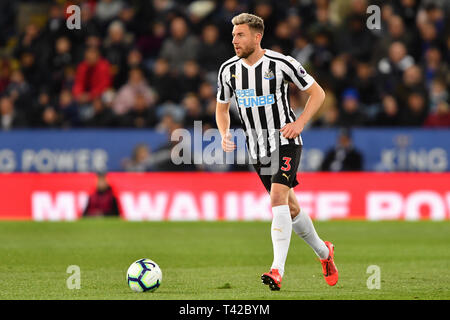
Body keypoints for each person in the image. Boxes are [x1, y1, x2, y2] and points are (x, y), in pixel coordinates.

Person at [215, 13, 338, 291]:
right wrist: (224, 133)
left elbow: (318, 93)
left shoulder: (282, 63)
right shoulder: (227, 70)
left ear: (257, 37)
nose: (234, 40)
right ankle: (324, 252)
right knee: (291, 207)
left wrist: (300, 123)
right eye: (234, 35)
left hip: (285, 140)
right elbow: (221, 108)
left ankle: (276, 270)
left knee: (277, 196)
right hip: (257, 149)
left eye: (240, 35)